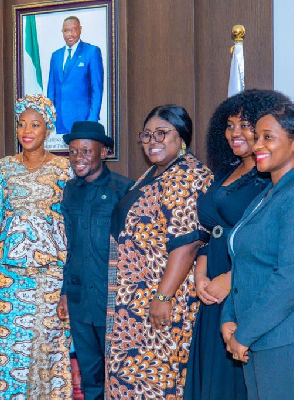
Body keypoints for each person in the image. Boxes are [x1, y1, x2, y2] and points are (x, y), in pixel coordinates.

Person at [185, 89, 289, 400]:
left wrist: (241, 327)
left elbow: (284, 271)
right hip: (231, 307)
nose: (255, 142)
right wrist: (205, 280)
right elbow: (226, 243)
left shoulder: (279, 188)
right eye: (230, 125)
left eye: (263, 135)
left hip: (269, 322)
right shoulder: (250, 186)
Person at [106, 105, 213, 399]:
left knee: (157, 381)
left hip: (163, 301)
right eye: (147, 134)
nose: (153, 140)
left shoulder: (187, 175)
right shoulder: (154, 173)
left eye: (162, 133)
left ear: (182, 138)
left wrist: (163, 298)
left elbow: (188, 244)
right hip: (135, 303)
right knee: (132, 381)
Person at [0, 94, 74, 398]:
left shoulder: (65, 169)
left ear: (48, 128)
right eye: (22, 124)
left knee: (50, 348)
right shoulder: (2, 168)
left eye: (35, 124)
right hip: (9, 274)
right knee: (10, 352)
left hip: (52, 274)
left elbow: (71, 222)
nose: (27, 130)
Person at [221, 102, 294, 399]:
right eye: (257, 137)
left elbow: (288, 278)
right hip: (255, 337)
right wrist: (229, 317)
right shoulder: (268, 194)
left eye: (268, 137)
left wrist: (244, 333)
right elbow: (241, 263)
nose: (257, 145)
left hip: (280, 341)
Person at [56, 121, 133, 400]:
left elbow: (133, 251)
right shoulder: (69, 191)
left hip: (111, 298)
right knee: (89, 376)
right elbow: (69, 247)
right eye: (73, 152)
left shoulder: (124, 189)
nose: (78, 158)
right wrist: (65, 292)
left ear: (104, 151)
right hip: (79, 299)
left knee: (118, 372)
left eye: (86, 151)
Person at [47, 16, 104, 134]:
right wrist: (50, 118)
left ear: (80, 30)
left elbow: (97, 89)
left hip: (83, 120)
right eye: (66, 31)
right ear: (62, 32)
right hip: (59, 121)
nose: (70, 34)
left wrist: (92, 120)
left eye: (74, 29)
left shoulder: (92, 52)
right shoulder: (56, 56)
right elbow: (51, 89)